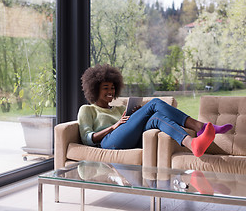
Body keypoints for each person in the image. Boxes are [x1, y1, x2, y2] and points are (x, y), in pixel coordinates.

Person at [78, 64, 233, 157]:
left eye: (113, 88)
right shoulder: (87, 109)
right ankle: (201, 127)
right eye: (106, 88)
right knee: (155, 103)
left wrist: (137, 115)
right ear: (94, 88)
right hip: (107, 142)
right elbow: (87, 138)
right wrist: (113, 126)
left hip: (129, 139)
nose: (111, 91)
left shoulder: (119, 109)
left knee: (156, 117)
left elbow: (128, 127)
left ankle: (192, 144)